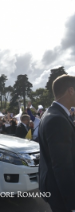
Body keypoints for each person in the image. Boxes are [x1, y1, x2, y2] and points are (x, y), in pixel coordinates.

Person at [38, 75, 75, 212]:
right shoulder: (57, 119)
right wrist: (72, 203)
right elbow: (62, 166)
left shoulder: (51, 113)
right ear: (71, 90)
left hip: (54, 187)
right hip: (62, 194)